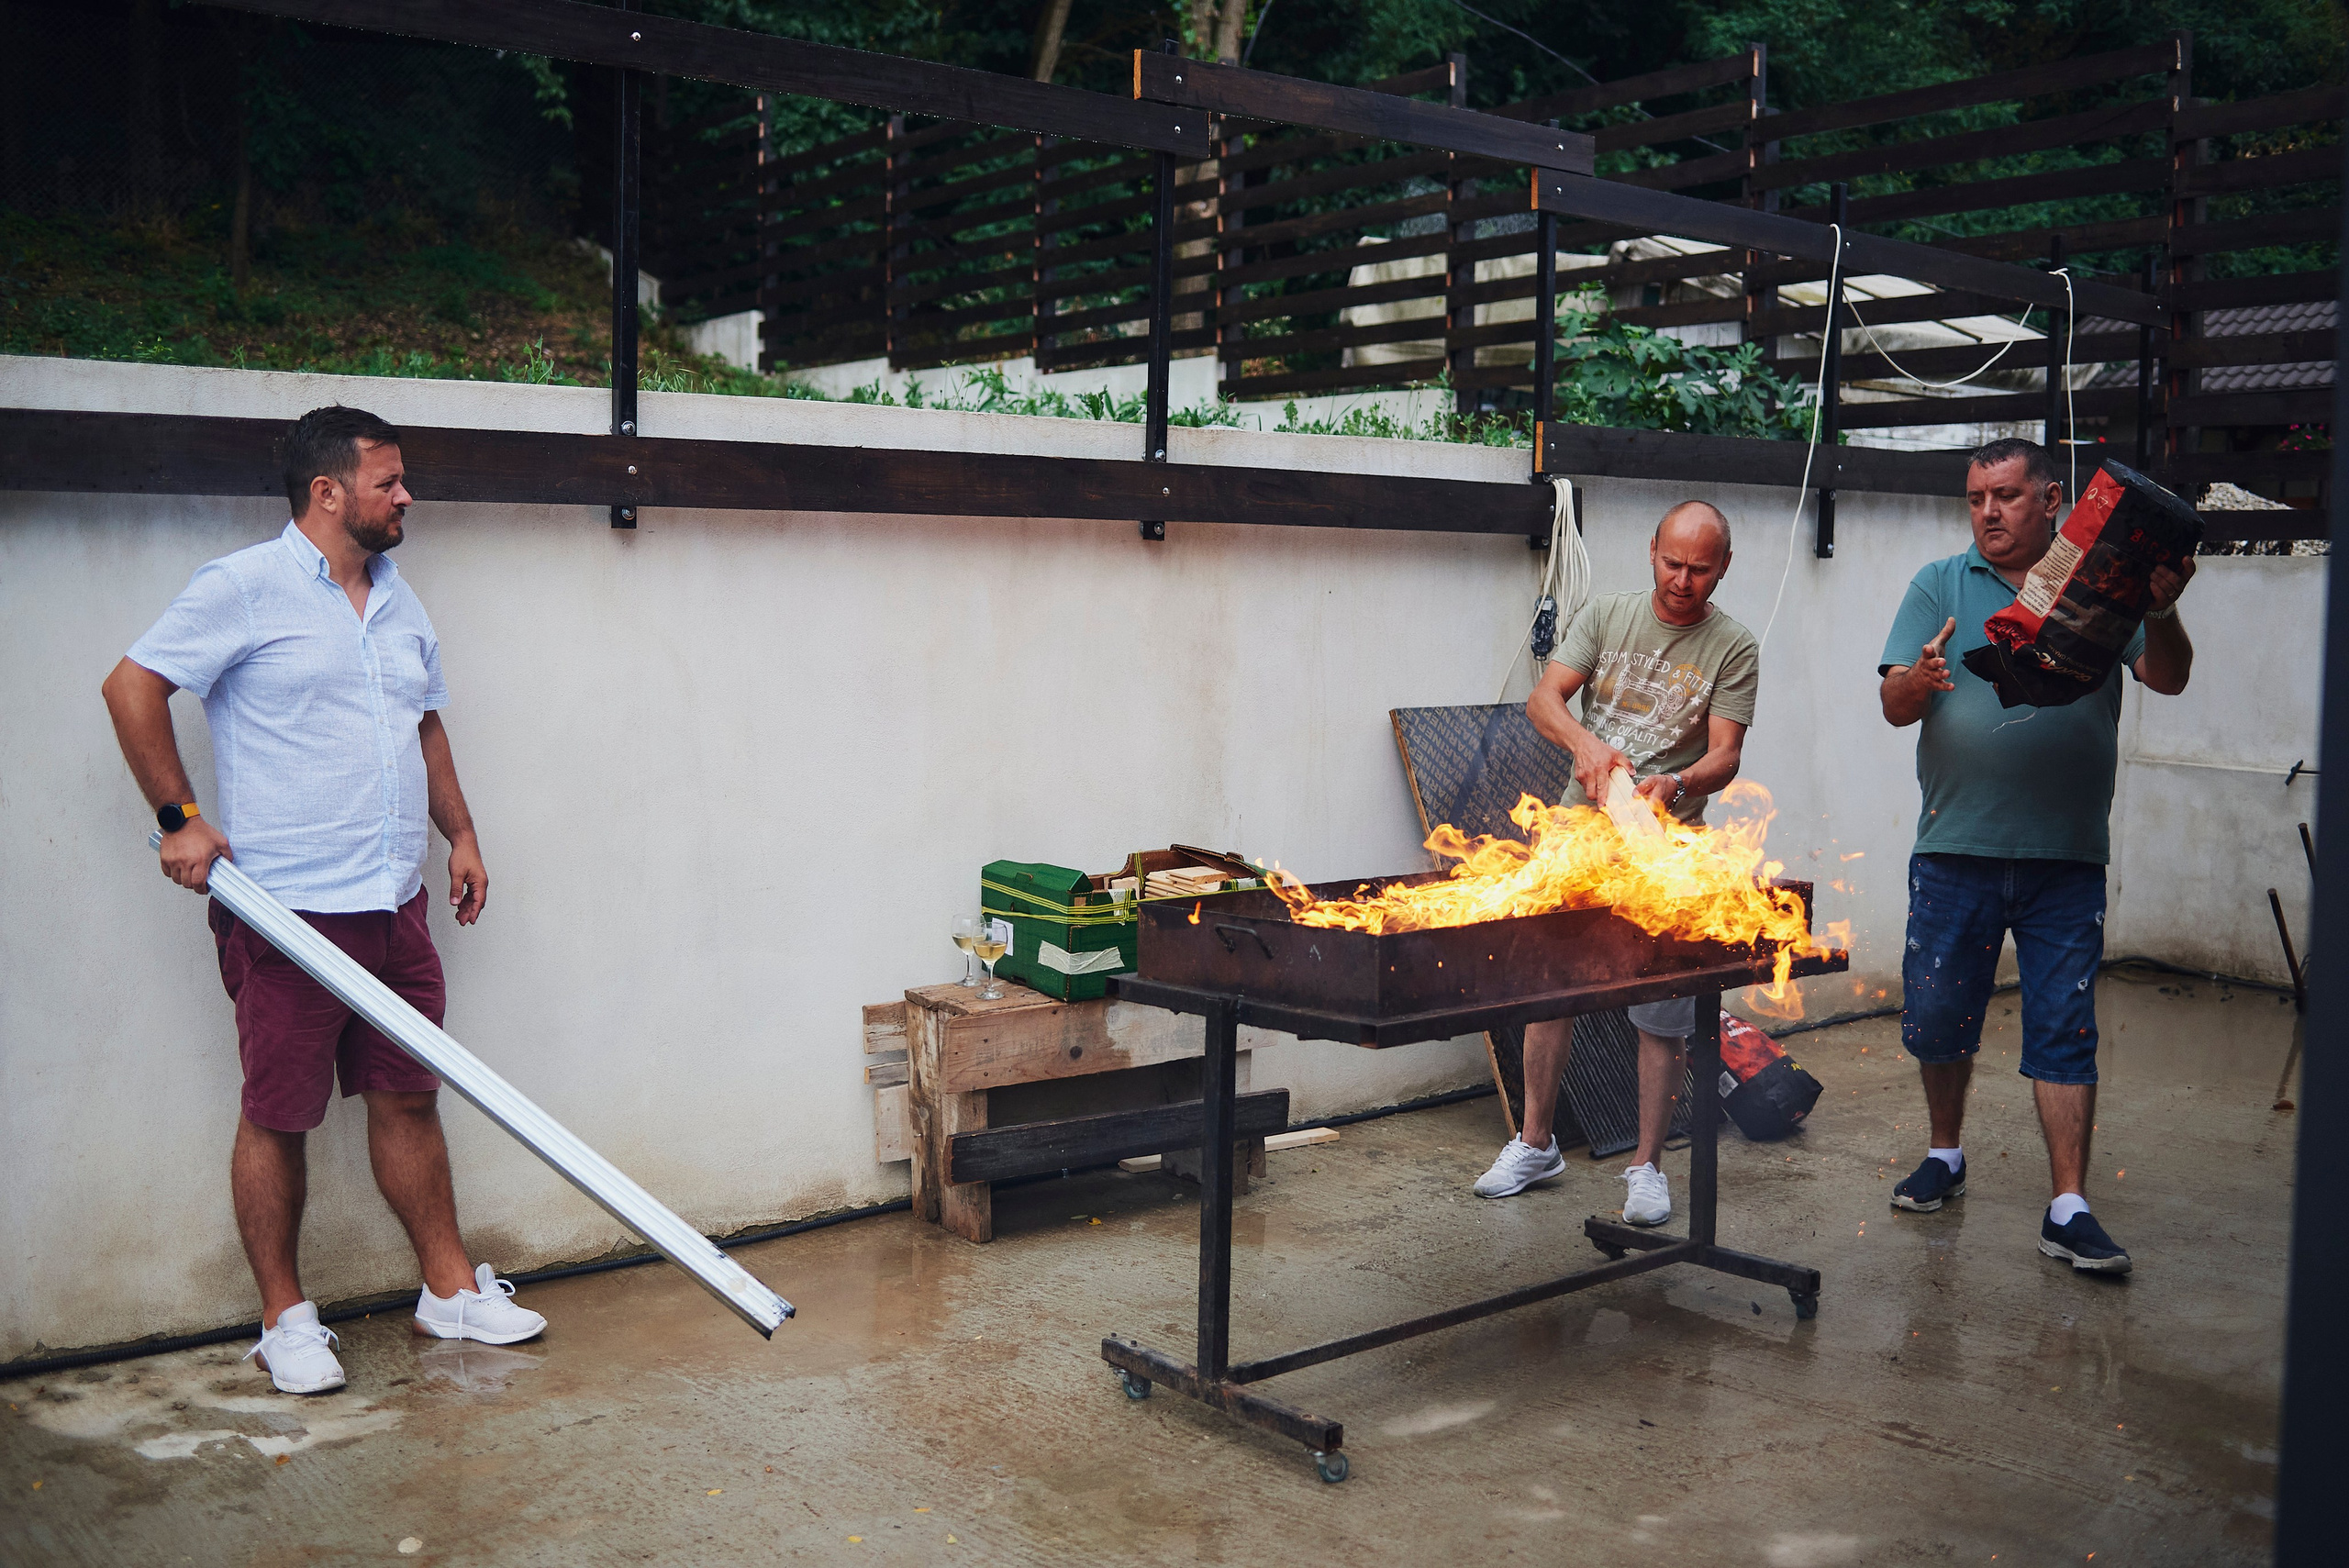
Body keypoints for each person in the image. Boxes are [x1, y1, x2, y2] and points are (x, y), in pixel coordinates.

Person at [101, 405, 547, 1395]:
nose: (406, 495)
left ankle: (446, 1290)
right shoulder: (244, 588)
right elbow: (131, 686)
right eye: (388, 482)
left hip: (393, 901)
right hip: (289, 911)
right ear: (327, 492)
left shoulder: (399, 599)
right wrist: (179, 815)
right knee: (278, 1112)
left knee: (408, 1094)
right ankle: (285, 1318)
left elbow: (422, 725)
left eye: (402, 480)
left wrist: (460, 833)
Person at [1878, 438, 2194, 1274]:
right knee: (1941, 1017)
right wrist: (1922, 675)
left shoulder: (2098, 577)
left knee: (2065, 1027)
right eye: (1977, 496)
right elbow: (1891, 704)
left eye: (2008, 495)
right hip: (1956, 844)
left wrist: (2159, 609)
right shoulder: (1938, 583)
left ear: (2051, 500)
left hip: (2066, 853)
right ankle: (1945, 1153)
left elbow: (2169, 678)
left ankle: (2068, 1204)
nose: (1989, 511)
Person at [1473, 501, 1759, 1226]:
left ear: (1722, 567)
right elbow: (1545, 699)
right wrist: (1585, 746)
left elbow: (1725, 755)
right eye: (1672, 562)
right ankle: (1536, 1142)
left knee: (1662, 1013)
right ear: (1651, 549)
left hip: (1667, 847)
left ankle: (1647, 1167)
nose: (1682, 580)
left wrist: (1680, 782)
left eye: (1699, 568)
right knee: (1550, 990)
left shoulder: (1734, 645)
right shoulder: (1606, 616)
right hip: (1578, 828)